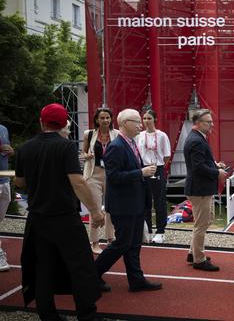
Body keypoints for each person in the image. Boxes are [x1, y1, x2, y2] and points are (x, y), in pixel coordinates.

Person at [15, 103, 105, 320]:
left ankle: (48, 315)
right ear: (65, 123)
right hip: (64, 217)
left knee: (42, 268)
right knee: (80, 266)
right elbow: (77, 181)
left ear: (41, 122)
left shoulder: (25, 148)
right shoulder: (65, 147)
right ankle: (86, 314)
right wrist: (95, 211)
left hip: (37, 218)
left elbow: (19, 182)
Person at [94, 108, 163, 292]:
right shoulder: (116, 146)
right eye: (136, 121)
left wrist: (141, 172)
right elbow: (114, 177)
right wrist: (140, 172)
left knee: (133, 244)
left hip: (134, 203)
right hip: (123, 205)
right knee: (122, 243)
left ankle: (136, 279)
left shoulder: (130, 143)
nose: (141, 125)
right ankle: (92, 274)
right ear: (124, 124)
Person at [183, 109, 227, 271]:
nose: (212, 124)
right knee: (201, 225)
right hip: (199, 189)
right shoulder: (196, 140)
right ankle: (199, 259)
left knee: (206, 220)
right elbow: (198, 167)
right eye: (208, 122)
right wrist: (217, 172)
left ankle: (193, 253)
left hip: (201, 188)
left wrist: (215, 165)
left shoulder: (197, 138)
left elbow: (201, 162)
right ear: (198, 123)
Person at [82, 107, 118, 255]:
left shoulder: (117, 134)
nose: (105, 121)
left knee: (111, 208)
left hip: (111, 174)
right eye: (102, 118)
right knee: (95, 208)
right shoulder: (89, 134)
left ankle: (111, 239)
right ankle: (94, 242)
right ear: (97, 120)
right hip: (93, 173)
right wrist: (87, 155)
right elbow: (83, 153)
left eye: (108, 118)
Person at [137, 109, 171, 244]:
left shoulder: (162, 136)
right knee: (145, 200)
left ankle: (161, 231)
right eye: (144, 118)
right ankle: (148, 230)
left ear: (155, 120)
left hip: (157, 169)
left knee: (159, 201)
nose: (146, 121)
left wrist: (159, 167)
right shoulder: (139, 135)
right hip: (143, 169)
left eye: (149, 118)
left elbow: (167, 155)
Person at [0, 123, 14, 272]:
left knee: (0, 217)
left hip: (4, 179)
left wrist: (10, 151)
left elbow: (7, 151)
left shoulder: (3, 129)